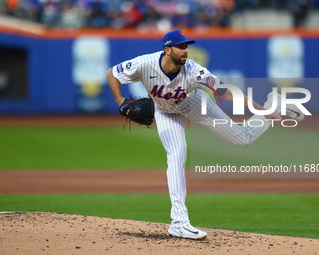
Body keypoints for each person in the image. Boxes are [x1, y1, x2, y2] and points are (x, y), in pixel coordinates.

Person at [106, 29, 305, 239]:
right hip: (164, 111)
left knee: (242, 139)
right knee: (176, 156)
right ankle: (179, 223)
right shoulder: (144, 63)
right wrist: (121, 103)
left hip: (195, 103)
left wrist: (263, 111)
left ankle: (272, 106)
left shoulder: (194, 71)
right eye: (181, 46)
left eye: (186, 46)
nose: (186, 51)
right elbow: (112, 73)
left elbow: (228, 92)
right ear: (167, 49)